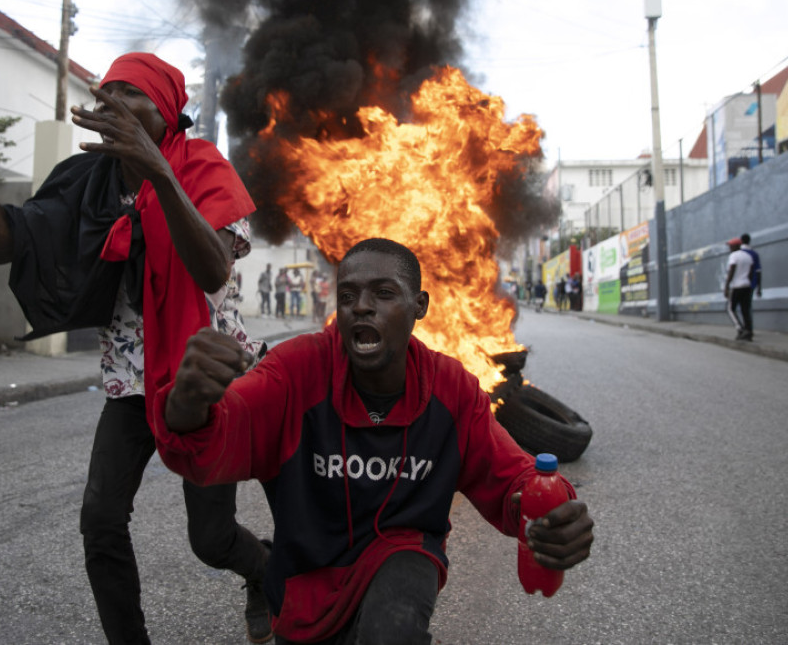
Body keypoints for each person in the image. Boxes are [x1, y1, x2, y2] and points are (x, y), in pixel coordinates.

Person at [0, 53, 273, 644]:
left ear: (166, 112)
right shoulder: (87, 179)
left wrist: (158, 171)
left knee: (211, 540)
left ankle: (263, 571)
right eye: (106, 92)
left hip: (203, 381)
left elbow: (212, 269)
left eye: (130, 93)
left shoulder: (202, 166)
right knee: (101, 522)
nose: (112, 103)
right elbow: (7, 243)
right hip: (132, 382)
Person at [151, 238, 595, 644]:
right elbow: (215, 436)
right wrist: (188, 404)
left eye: (383, 293)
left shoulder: (451, 388)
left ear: (419, 306)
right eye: (347, 296)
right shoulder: (297, 371)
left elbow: (512, 476)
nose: (361, 307)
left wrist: (555, 515)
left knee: (392, 631)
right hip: (308, 583)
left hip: (403, 552)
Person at [724, 237, 755, 341]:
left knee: (730, 309)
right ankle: (749, 331)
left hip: (737, 286)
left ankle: (740, 328)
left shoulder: (734, 256)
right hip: (747, 286)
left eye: (731, 246)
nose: (729, 248)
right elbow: (751, 272)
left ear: (736, 246)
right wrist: (748, 282)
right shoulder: (748, 256)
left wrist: (727, 286)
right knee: (745, 309)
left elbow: (732, 270)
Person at [740, 233, 763, 299]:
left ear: (741, 241)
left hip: (738, 284)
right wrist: (759, 288)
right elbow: (758, 271)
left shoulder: (737, 253)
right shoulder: (754, 254)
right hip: (751, 284)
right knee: (747, 303)